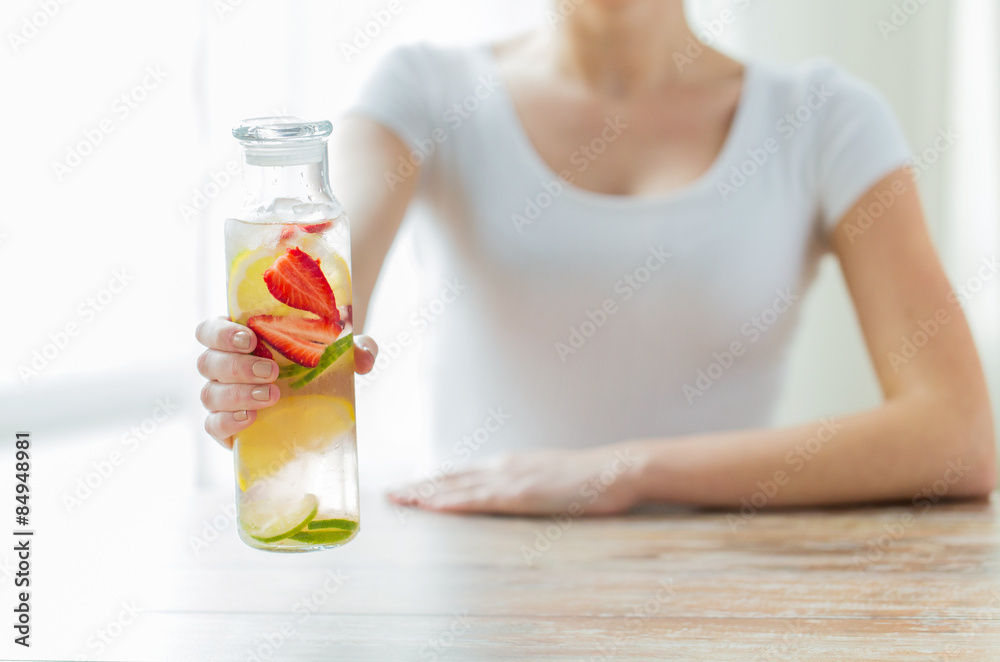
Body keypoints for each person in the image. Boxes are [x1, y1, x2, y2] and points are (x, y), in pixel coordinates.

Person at [196, 0, 995, 516]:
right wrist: (259, 373)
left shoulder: (825, 119)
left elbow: (957, 436)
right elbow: (320, 292)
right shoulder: (422, 88)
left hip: (723, 586)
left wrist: (624, 470)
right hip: (477, 580)